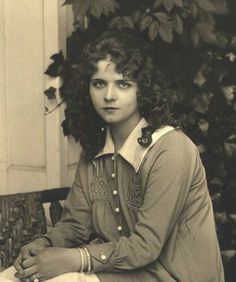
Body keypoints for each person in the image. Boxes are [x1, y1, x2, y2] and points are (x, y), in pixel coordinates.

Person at [0, 29, 224, 282]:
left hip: (172, 275)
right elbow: (76, 225)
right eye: (99, 83)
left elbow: (145, 246)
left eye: (123, 84)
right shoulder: (94, 150)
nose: (109, 95)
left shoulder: (171, 149)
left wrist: (74, 259)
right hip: (118, 271)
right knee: (12, 277)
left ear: (143, 90)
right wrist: (45, 242)